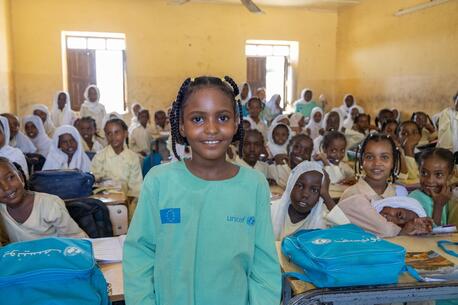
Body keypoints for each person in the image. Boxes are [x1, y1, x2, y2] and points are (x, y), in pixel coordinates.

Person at [123, 76, 281, 305]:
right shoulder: (159, 182)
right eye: (198, 118)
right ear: (181, 126)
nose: (211, 129)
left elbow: (264, 266)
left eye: (223, 117)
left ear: (236, 122)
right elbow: (139, 254)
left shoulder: (254, 184)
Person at [0, 157, 87, 242]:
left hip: (56, 254)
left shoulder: (50, 204)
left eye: (10, 177)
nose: (6, 187)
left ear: (21, 178)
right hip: (22, 256)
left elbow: (77, 239)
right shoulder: (1, 209)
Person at [271, 161, 335, 240]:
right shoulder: (270, 211)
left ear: (320, 196)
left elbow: (349, 235)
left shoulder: (323, 219)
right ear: (290, 185)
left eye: (314, 190)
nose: (305, 194)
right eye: (300, 186)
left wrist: (326, 196)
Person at [340, 133, 407, 201]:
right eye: (369, 157)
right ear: (362, 161)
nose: (377, 163)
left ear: (393, 162)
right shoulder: (350, 195)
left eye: (384, 157)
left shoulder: (399, 194)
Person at [91, 118, 143, 199]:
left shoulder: (132, 158)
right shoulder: (99, 157)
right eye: (109, 133)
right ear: (106, 136)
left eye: (117, 132)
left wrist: (125, 204)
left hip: (127, 202)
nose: (113, 137)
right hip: (104, 201)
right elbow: (95, 184)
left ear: (125, 133)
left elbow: (135, 189)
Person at [408, 148, 455, 226]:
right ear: (419, 171)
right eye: (424, 173)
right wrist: (438, 206)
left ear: (450, 176)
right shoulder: (413, 200)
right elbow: (431, 234)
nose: (430, 180)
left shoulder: (447, 195)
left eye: (438, 174)